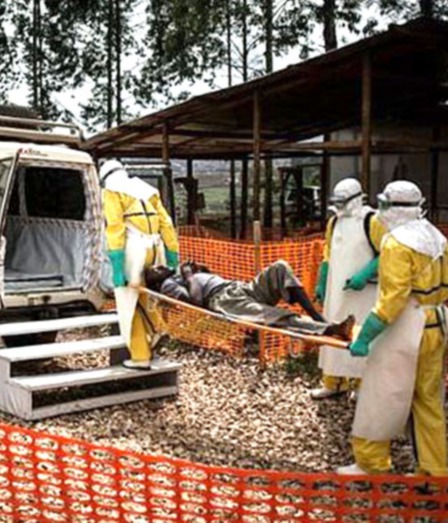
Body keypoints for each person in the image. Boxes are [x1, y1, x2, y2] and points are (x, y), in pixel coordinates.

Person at [337, 180, 448, 477]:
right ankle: (435, 470)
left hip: (405, 327)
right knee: (428, 401)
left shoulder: (397, 243)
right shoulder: (437, 238)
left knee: (381, 394)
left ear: (394, 208)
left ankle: (371, 463)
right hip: (436, 323)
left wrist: (365, 336)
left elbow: (392, 299)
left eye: (385, 204)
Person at [311, 178, 387, 400]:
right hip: (337, 291)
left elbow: (388, 252)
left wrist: (365, 274)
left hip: (365, 293)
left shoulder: (372, 220)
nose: (340, 206)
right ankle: (333, 382)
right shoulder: (333, 222)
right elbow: (328, 253)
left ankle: (363, 385)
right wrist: (322, 281)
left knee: (361, 333)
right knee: (334, 331)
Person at [100, 159, 179, 370]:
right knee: (146, 295)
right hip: (155, 247)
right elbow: (167, 223)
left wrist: (116, 267)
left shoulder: (111, 191)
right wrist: (172, 256)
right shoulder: (147, 189)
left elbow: (115, 229)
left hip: (133, 250)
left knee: (128, 304)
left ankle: (140, 355)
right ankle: (158, 328)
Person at [145, 261, 354, 338]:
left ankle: (317, 316)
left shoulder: (176, 275)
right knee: (276, 316)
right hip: (225, 300)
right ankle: (329, 329)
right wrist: (189, 275)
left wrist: (198, 270)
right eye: (155, 270)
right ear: (155, 283)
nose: (159, 267)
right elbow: (195, 301)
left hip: (238, 288)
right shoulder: (168, 286)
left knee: (279, 268)